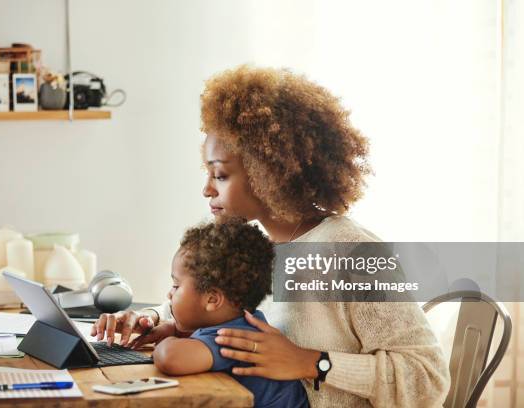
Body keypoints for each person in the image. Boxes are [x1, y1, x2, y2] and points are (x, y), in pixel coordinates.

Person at [91, 65, 450, 407]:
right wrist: (153, 319)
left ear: (270, 172)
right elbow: (219, 307)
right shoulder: (259, 249)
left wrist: (312, 363)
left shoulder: (352, 252)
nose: (206, 190)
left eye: (220, 175)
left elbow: (427, 379)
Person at [151, 219, 309, 408]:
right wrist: (174, 331)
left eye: (176, 286)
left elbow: (171, 358)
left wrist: (165, 343)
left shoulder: (232, 338)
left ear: (212, 299)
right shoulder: (248, 323)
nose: (170, 294)